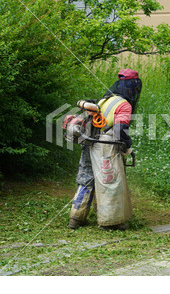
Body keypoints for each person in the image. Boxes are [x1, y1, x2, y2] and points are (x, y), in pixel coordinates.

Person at [68, 69, 142, 230]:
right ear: (133, 87)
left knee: (86, 179)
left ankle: (76, 218)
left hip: (89, 142)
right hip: (105, 147)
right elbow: (120, 130)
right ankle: (111, 222)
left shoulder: (105, 100)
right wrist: (128, 146)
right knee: (110, 181)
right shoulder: (124, 105)